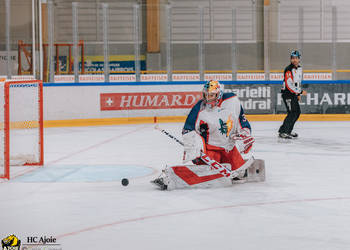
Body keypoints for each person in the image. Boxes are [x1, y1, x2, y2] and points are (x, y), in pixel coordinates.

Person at [182, 80, 254, 171]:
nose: (208, 98)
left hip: (229, 148)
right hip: (210, 149)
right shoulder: (199, 108)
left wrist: (245, 133)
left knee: (240, 172)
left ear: (219, 94)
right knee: (208, 172)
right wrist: (193, 146)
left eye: (211, 95)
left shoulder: (232, 101)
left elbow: (241, 120)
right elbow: (187, 129)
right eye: (206, 95)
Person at [278, 50, 307, 139]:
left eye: (296, 58)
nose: (294, 60)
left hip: (293, 94)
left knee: (297, 112)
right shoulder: (288, 69)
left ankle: (287, 130)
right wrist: (300, 92)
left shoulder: (300, 69)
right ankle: (284, 132)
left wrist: (297, 94)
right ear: (291, 59)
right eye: (293, 58)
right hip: (287, 94)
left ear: (299, 59)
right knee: (292, 113)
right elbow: (289, 84)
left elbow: (297, 82)